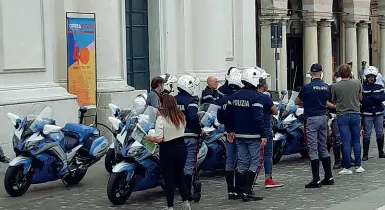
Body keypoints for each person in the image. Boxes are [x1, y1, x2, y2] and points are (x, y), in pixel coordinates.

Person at [225, 67, 266, 201]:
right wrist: (263, 134)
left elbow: (228, 116)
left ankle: (239, 190)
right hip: (253, 135)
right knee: (254, 162)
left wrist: (230, 130)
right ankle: (248, 191)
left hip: (239, 134)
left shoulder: (234, 96)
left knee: (241, 163)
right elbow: (258, 118)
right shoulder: (256, 97)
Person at [144, 94, 191, 210]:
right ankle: (186, 203)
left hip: (168, 150)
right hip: (181, 148)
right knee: (179, 176)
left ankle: (170, 206)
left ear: (162, 105)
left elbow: (159, 139)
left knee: (168, 179)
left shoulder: (161, 119)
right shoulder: (181, 116)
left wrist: (147, 138)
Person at [295, 63, 334, 188]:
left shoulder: (307, 87)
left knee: (312, 148)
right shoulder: (326, 87)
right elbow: (329, 100)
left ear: (311, 74)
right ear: (321, 73)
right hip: (323, 117)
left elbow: (297, 101)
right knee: (323, 146)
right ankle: (329, 176)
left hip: (311, 118)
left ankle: (316, 179)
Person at [331, 64, 365, 175]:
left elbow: (334, 101)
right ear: (350, 72)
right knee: (356, 140)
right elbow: (360, 98)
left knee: (346, 141)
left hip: (342, 115)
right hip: (355, 114)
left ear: (339, 73)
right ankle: (358, 165)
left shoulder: (335, 86)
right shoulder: (357, 83)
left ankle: (347, 167)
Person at [217, 69, 243, 199]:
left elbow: (220, 118)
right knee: (241, 161)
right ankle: (238, 189)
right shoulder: (240, 99)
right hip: (240, 133)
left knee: (230, 161)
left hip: (228, 134)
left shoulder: (223, 99)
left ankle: (230, 190)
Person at [175, 75, 202, 201]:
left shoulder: (173, 100)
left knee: (177, 165)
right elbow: (193, 117)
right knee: (189, 164)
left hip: (175, 136)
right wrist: (198, 130)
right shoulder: (192, 101)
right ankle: (187, 193)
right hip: (190, 135)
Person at [256, 72, 283, 188]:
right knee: (267, 154)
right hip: (265, 128)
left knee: (251, 155)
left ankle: (251, 177)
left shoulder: (251, 96)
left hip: (252, 130)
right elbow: (275, 111)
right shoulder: (265, 97)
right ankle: (268, 178)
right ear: (263, 85)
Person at [361, 66, 385, 161]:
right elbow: (363, 100)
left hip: (378, 113)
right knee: (367, 134)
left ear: (375, 77)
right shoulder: (363, 87)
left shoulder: (379, 86)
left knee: (380, 133)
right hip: (367, 114)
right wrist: (376, 99)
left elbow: (383, 96)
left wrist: (374, 98)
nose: (371, 78)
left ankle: (381, 151)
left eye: (372, 76)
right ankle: (365, 154)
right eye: (369, 76)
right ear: (366, 77)